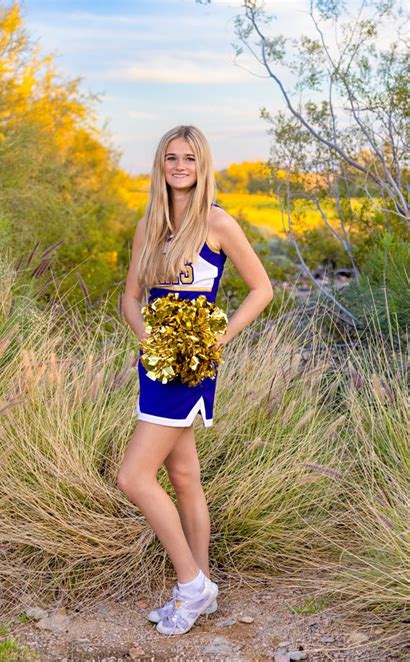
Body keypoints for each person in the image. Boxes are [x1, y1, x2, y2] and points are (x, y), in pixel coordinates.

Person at [118, 125, 274, 636]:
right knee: (183, 478)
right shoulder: (148, 226)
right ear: (160, 164)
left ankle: (190, 584)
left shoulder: (218, 223)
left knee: (134, 478)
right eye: (171, 157)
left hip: (191, 366)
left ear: (201, 165)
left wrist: (217, 339)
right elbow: (130, 300)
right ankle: (201, 588)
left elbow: (262, 290)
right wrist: (150, 341)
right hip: (157, 364)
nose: (179, 165)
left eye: (189, 158)